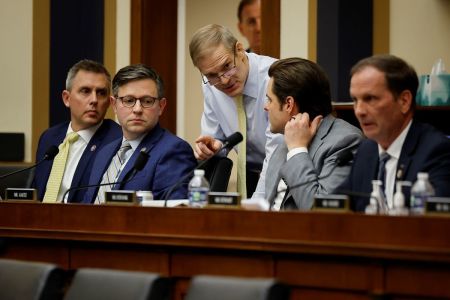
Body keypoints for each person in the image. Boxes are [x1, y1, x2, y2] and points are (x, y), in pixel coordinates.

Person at [338, 54, 450, 212]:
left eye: (370, 99)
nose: (359, 111)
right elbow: (337, 206)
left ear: (404, 101)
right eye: (355, 100)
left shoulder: (436, 150)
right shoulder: (366, 150)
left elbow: (437, 224)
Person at [189, 24, 282, 199]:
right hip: (250, 176)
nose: (224, 80)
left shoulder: (274, 77)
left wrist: (254, 206)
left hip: (283, 175)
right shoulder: (210, 86)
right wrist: (214, 147)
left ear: (239, 50)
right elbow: (215, 138)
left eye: (227, 66)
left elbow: (277, 153)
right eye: (212, 75)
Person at [256, 58, 363, 210]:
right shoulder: (283, 144)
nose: (266, 107)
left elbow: (321, 213)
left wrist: (297, 150)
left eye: (269, 99)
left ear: (289, 104)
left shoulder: (345, 142)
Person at [83, 64, 197, 203]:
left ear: (161, 106)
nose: (137, 109)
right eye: (129, 101)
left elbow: (173, 216)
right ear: (114, 105)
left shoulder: (174, 151)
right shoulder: (104, 153)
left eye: (147, 101)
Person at [33, 59, 121, 203]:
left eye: (101, 93)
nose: (94, 100)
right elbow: (36, 192)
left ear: (109, 102)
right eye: (85, 91)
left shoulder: (117, 140)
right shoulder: (49, 137)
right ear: (67, 98)